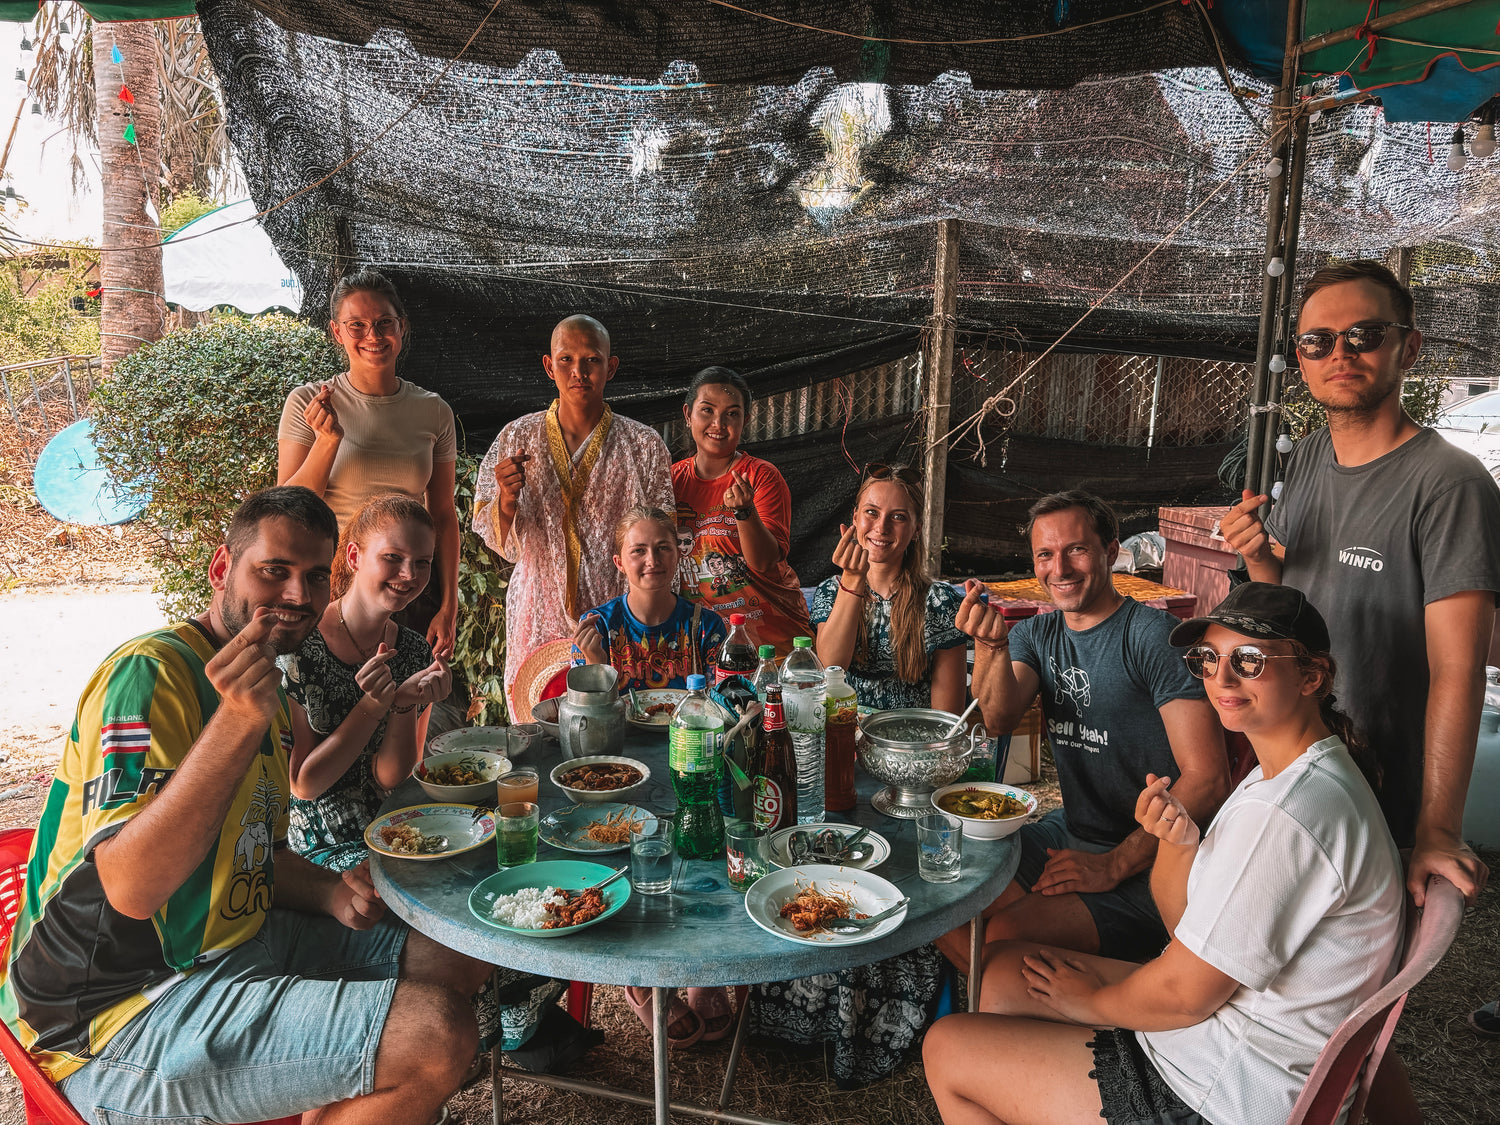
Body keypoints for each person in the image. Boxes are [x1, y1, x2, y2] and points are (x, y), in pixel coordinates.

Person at [0, 486, 491, 1125]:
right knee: (436, 1036)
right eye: (274, 571)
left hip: (240, 945)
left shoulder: (269, 684)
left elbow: (255, 852)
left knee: (459, 950)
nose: (297, 595)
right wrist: (235, 721)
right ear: (221, 568)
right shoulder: (152, 674)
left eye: (314, 576)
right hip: (116, 1016)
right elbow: (129, 889)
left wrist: (328, 892)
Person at [923, 582, 1405, 1125]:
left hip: (1226, 1087)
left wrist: (1087, 1002)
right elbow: (1186, 933)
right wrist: (1178, 847)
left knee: (947, 1047)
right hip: (1231, 1030)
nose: (1221, 679)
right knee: (1002, 971)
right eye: (1209, 659)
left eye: (1249, 660)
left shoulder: (1287, 812)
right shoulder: (1284, 776)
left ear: (1312, 677)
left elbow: (1184, 997)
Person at [1220, 258, 1500, 913]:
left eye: (1364, 335)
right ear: (1300, 359)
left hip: (1384, 785)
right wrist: (1258, 558)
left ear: (1409, 347)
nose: (1339, 353)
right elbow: (1292, 610)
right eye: (1318, 341)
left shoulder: (1450, 485)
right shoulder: (1306, 458)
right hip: (1301, 763)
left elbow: (1458, 670)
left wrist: (1437, 828)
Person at [941, 490, 1227, 970]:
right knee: (944, 898)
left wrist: (1114, 864)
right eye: (1045, 555)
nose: (1060, 569)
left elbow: (1209, 778)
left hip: (1156, 860)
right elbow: (998, 719)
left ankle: (1107, 993)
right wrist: (990, 646)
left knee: (999, 941)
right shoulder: (1035, 634)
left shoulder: (1150, 637)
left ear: (1111, 552)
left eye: (1076, 550)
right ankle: (1025, 981)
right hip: (1071, 832)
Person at [473, 314, 674, 715]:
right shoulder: (518, 436)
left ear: (610, 367)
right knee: (538, 722)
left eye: (591, 360)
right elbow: (492, 535)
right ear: (549, 366)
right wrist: (507, 498)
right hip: (538, 608)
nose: (579, 372)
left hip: (618, 610)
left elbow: (662, 538)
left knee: (617, 719)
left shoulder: (643, 444)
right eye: (566, 360)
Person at [278, 268, 461, 658]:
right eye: (357, 325)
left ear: (402, 327)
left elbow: (443, 515)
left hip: (408, 587)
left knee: (409, 690)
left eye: (384, 323)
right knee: (329, 693)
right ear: (336, 332)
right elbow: (289, 512)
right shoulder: (307, 403)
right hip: (330, 584)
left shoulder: (434, 410)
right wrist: (328, 441)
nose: (373, 336)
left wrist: (449, 604)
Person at [281, 494, 450, 872]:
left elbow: (392, 777)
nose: (409, 575)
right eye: (392, 557)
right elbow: (304, 785)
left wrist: (403, 705)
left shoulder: (413, 651)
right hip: (321, 850)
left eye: (422, 562)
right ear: (354, 557)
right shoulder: (299, 648)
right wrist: (371, 707)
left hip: (393, 834)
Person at [671, 367, 811, 654]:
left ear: (745, 420)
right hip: (706, 647)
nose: (718, 424)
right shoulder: (672, 481)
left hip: (771, 643)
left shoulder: (761, 476)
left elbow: (764, 561)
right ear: (688, 414)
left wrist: (745, 512)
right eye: (707, 410)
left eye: (732, 413)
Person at [811, 462, 967, 712]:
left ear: (916, 530)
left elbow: (947, 717)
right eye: (871, 512)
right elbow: (832, 666)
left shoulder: (939, 602)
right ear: (855, 518)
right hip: (845, 730)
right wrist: (852, 580)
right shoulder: (831, 592)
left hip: (914, 735)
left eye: (898, 517)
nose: (882, 527)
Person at [573, 505, 727, 690]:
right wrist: (595, 664)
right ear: (619, 563)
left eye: (663, 548)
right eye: (639, 550)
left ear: (678, 555)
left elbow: (720, 702)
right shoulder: (598, 627)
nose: (652, 561)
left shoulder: (706, 626)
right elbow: (581, 707)